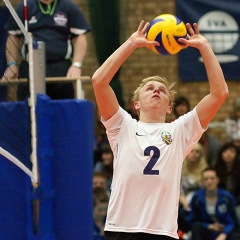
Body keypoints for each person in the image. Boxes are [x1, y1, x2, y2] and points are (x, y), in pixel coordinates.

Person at [91, 20, 228, 239]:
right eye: (150, 88)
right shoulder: (122, 125)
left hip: (162, 231)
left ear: (169, 107)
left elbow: (219, 93)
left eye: (162, 90)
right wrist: (130, 43)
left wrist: (205, 47)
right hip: (121, 229)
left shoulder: (180, 131)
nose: (156, 91)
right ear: (136, 104)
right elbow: (99, 81)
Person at [3, 0, 91, 100]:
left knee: (62, 107)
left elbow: (80, 37)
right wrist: (12, 65)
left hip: (60, 68)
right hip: (31, 67)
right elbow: (13, 37)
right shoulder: (25, 6)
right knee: (29, 106)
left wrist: (76, 65)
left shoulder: (68, 6)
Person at [189, 167, 240, 240]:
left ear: (217, 180)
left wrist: (224, 234)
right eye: (206, 179)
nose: (209, 181)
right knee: (197, 228)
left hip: (225, 231)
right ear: (202, 182)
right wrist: (208, 226)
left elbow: (234, 222)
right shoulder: (196, 198)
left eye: (212, 178)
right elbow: (193, 222)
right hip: (206, 231)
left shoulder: (227, 197)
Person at [178, 142, 208, 235]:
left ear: (200, 155)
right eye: (191, 151)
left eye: (197, 152)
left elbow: (206, 189)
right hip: (183, 202)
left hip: (200, 202)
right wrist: (185, 204)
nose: (194, 154)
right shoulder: (179, 169)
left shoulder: (205, 170)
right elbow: (179, 190)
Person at [214, 142, 240, 222]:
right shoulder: (215, 169)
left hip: (237, 201)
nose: (228, 154)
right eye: (225, 151)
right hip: (219, 200)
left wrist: (234, 202)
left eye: (231, 151)